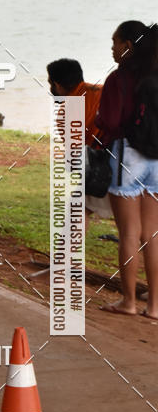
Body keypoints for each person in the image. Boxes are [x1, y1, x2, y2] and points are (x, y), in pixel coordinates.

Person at [96, 20, 158, 318]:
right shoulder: (154, 74)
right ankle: (155, 306)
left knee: (130, 233)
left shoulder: (119, 79)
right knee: (153, 234)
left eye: (115, 43)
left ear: (128, 46)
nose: (112, 48)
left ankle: (130, 302)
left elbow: (110, 122)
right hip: (156, 157)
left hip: (127, 156)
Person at [46, 57, 110, 226]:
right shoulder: (104, 90)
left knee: (77, 210)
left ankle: (64, 252)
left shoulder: (65, 113)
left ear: (57, 84)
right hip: (131, 157)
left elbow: (77, 157)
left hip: (103, 165)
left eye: (50, 84)